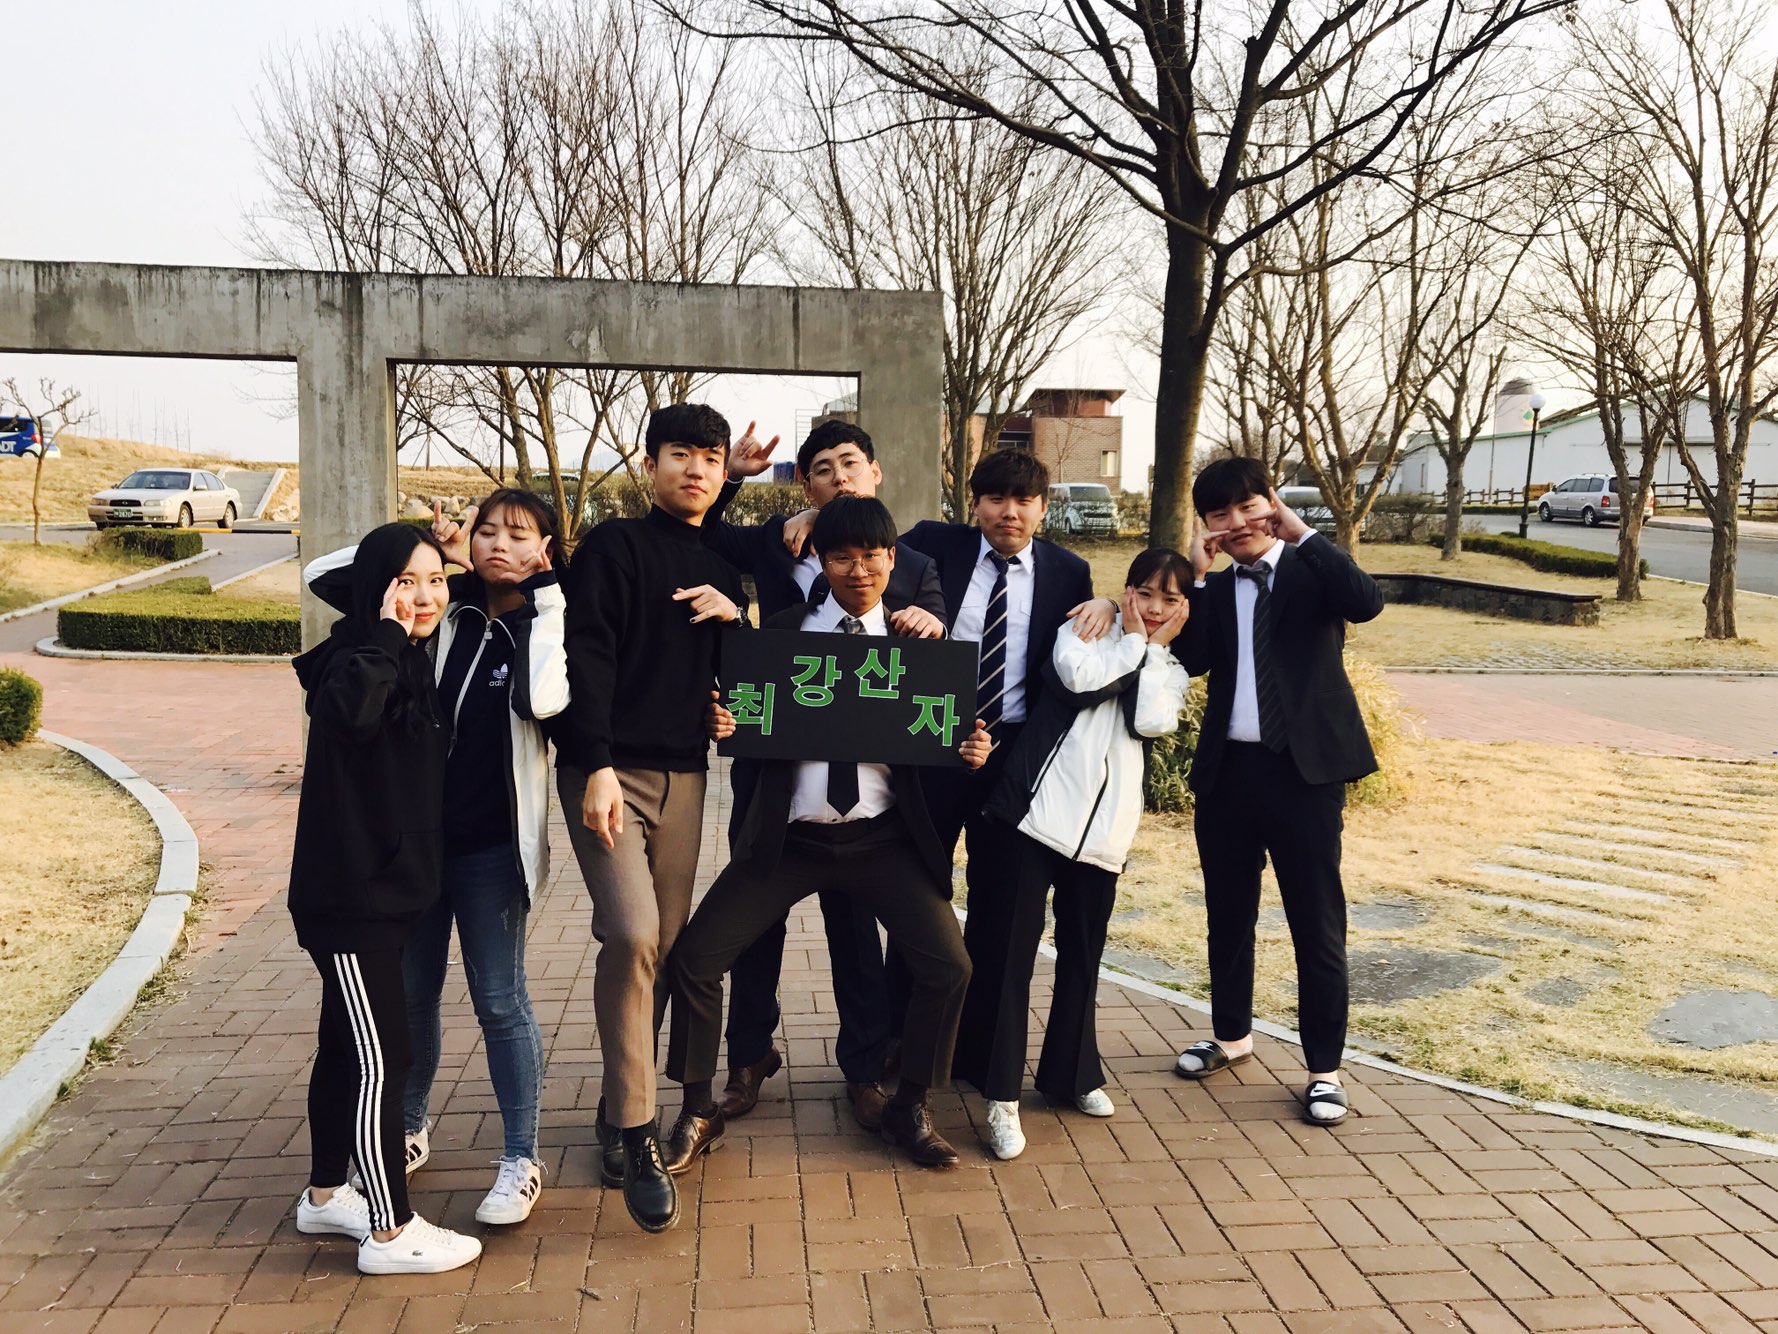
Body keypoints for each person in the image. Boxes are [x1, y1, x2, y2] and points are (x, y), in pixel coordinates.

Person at [664, 496, 992, 1177]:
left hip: (881, 841)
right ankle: (698, 1107)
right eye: (842, 557)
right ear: (820, 560)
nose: (858, 570)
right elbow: (745, 713)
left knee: (950, 966)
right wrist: (726, 723)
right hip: (788, 841)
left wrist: (971, 749)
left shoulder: (914, 642)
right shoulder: (781, 632)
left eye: (872, 556)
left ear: (892, 559)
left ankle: (910, 1104)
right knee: (695, 959)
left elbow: (946, 732)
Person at [304, 492, 570, 1226]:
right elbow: (330, 574)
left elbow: (545, 701)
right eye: (488, 531)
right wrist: (431, 555)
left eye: (519, 534)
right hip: (414, 852)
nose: (499, 544)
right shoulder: (442, 610)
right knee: (410, 999)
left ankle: (520, 1158)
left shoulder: (546, 623)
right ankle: (407, 1127)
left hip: (491, 850)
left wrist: (547, 596)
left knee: (499, 1000)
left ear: (547, 549)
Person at [700, 418, 947, 1131]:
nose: (840, 478)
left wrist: (928, 624)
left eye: (850, 464)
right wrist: (734, 478)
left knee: (856, 937)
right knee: (754, 932)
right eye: (822, 469)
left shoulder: (910, 561)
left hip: (864, 800)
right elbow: (706, 536)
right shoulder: (776, 542)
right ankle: (749, 1059)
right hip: (778, 786)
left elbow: (935, 640)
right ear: (805, 484)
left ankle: (864, 1069)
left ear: (875, 473)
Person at [556, 402, 748, 1233]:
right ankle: (637, 1134)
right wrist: (595, 762)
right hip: (606, 774)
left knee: (663, 949)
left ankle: (613, 1105)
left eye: (710, 457)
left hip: (686, 776)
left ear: (724, 471)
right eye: (680, 454)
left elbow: (738, 679)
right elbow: (587, 656)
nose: (695, 469)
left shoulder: (722, 566)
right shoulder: (614, 546)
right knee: (633, 934)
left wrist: (736, 638)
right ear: (651, 463)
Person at [287, 523, 482, 1275]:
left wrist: (409, 615)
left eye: (436, 580)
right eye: (406, 581)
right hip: (351, 899)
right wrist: (388, 631)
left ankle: (324, 1195)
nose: (425, 596)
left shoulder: (403, 660)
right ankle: (391, 1232)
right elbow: (351, 712)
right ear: (375, 590)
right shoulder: (358, 660)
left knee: (346, 1045)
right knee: (384, 1058)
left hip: (378, 893)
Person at [1168, 457, 1384, 1126]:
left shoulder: (1312, 571)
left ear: (1271, 503)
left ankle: (1324, 1070)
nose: (1236, 523)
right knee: (1228, 916)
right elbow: (1191, 659)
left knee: (1315, 922)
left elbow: (1366, 602)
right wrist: (1195, 578)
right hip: (1229, 775)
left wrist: (1304, 534)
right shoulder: (1214, 587)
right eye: (1219, 513)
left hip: (1304, 775)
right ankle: (1232, 1036)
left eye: (1247, 506)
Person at [893, 450, 1110, 1079]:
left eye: (1023, 501)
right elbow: (864, 550)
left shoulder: (1069, 572)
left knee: (1003, 907)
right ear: (975, 503)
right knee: (916, 897)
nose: (1008, 512)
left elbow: (1082, 651)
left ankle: (975, 1052)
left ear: (1042, 508)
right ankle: (899, 1044)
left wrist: (1108, 605)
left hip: (1014, 758)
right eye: (995, 498)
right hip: (933, 743)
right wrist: (807, 517)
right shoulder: (933, 546)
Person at [969, 549, 1192, 1158]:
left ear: (1183, 609)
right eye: (1146, 593)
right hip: (1037, 819)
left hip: (1103, 836)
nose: (1154, 608)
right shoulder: (1086, 629)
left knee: (1082, 958)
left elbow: (1151, 721)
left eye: (1170, 600)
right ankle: (1000, 1097)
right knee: (1011, 959)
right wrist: (1131, 638)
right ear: (1127, 590)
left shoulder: (1168, 666)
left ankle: (1071, 1076)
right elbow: (1078, 681)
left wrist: (1152, 650)